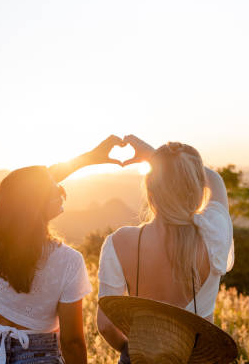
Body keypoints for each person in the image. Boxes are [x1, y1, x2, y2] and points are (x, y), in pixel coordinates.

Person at [0, 135, 126, 364]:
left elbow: (25, 191)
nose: (61, 189)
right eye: (53, 188)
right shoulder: (69, 261)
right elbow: (72, 343)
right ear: (36, 203)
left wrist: (89, 158)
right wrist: (89, 159)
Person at [96, 135, 235, 363]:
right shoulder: (214, 235)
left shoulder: (120, 242)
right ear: (197, 188)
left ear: (149, 189)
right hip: (194, 358)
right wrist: (156, 157)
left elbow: (105, 325)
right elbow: (216, 181)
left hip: (139, 357)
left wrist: (133, 352)